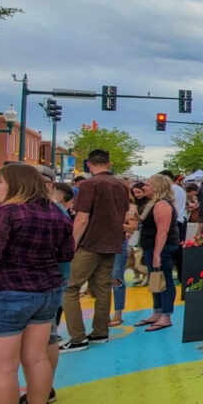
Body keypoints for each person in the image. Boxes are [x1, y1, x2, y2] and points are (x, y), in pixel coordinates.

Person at [0, 164, 74, 404]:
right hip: (45, 291)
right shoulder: (56, 214)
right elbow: (67, 252)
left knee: (3, 369)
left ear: (16, 185)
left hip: (7, 292)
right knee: (37, 358)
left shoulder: (8, 213)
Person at [61, 149, 129, 352]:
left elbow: (82, 218)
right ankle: (100, 331)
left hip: (91, 242)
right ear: (108, 163)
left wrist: (71, 244)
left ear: (89, 165)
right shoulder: (120, 185)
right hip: (112, 242)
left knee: (70, 288)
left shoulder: (90, 185)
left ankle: (77, 336)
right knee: (102, 288)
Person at [133, 174, 181, 331]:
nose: (144, 187)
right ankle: (158, 311)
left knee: (164, 279)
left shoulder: (162, 205)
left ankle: (165, 314)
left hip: (162, 247)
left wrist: (157, 253)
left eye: (147, 185)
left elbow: (163, 230)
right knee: (156, 278)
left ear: (157, 187)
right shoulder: (154, 203)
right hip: (152, 246)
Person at [109, 176, 139, 328]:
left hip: (118, 243)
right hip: (102, 243)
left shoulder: (130, 208)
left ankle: (118, 312)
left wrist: (114, 223)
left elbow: (132, 228)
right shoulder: (103, 205)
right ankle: (103, 313)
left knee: (116, 277)